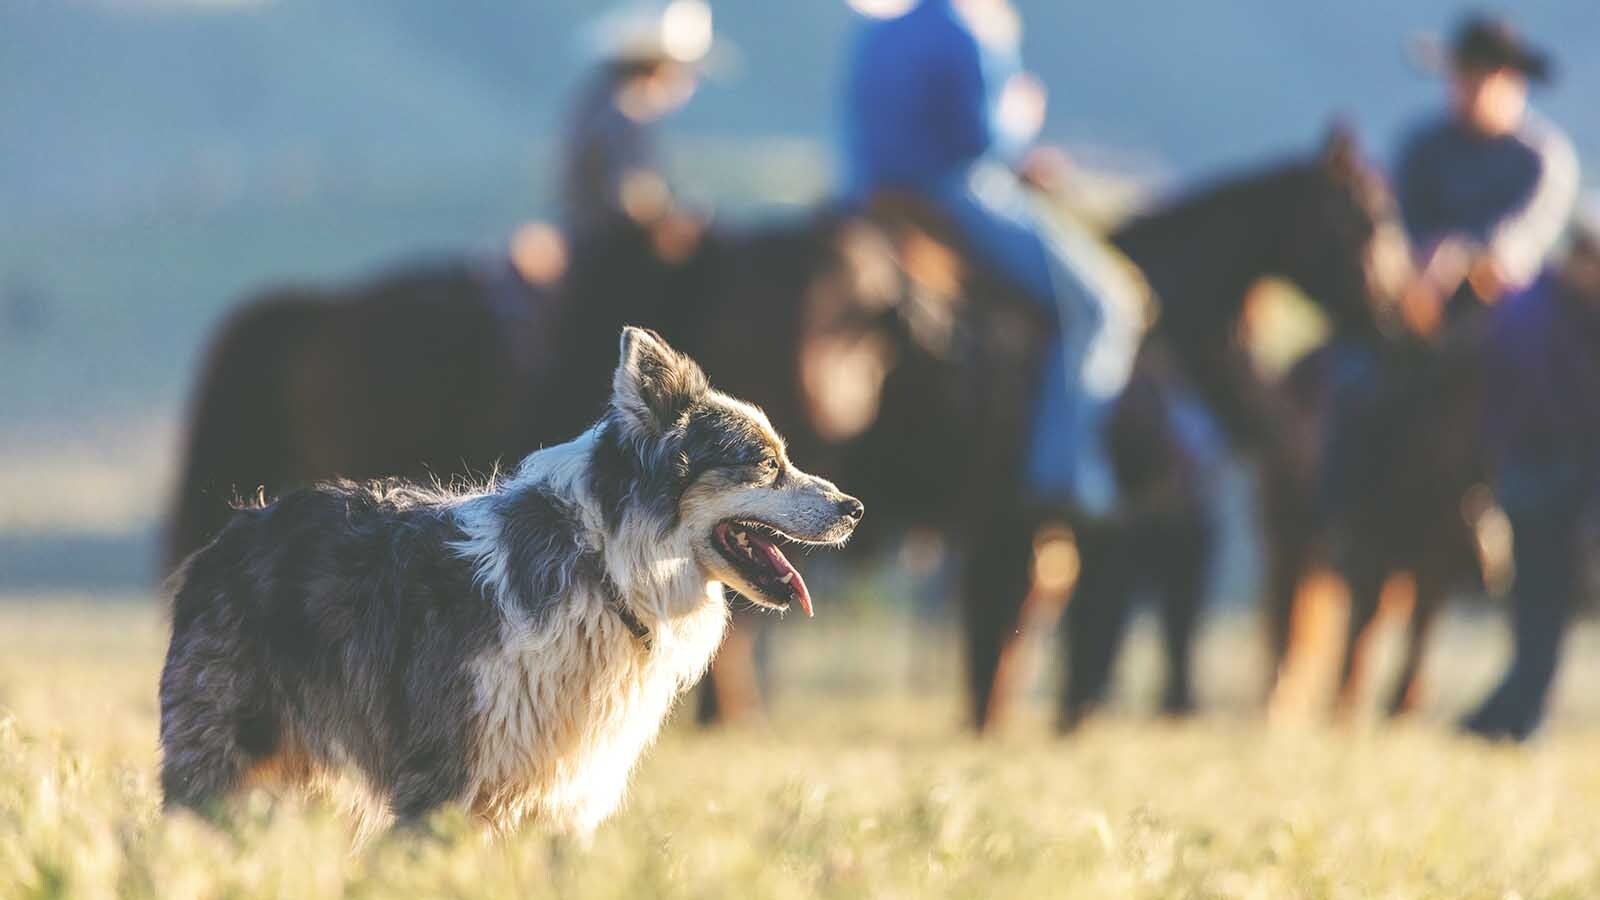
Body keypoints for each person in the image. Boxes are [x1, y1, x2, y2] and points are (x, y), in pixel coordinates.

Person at [841, 0, 1146, 518]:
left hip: (867, 193)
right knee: (1103, 304)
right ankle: (1062, 474)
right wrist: (1021, 118)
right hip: (954, 190)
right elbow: (979, 139)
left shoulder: (880, 27)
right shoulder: (969, 27)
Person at [1386, 17, 1588, 741]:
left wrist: (1466, 257)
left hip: (1513, 324)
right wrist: (1419, 265)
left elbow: (1522, 245)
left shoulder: (1541, 158)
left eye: (1481, 78)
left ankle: (1509, 490)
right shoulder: (1422, 147)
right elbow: (1396, 227)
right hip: (1414, 312)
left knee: (1528, 362)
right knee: (1348, 379)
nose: (1467, 91)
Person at [560, 0, 712, 261]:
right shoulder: (624, 114)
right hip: (610, 251)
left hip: (589, 240)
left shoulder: (598, 103)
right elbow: (629, 193)